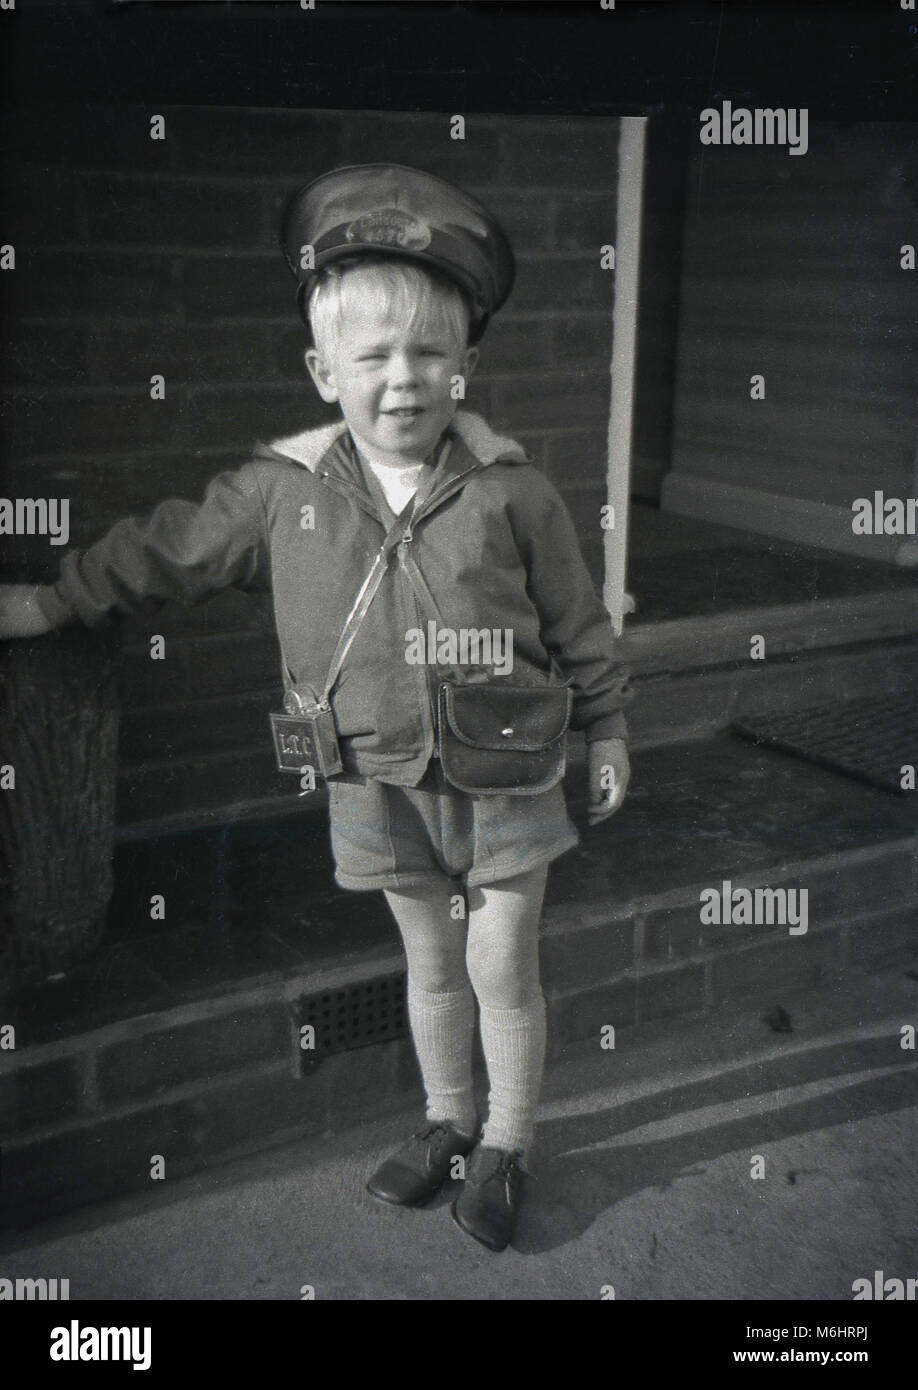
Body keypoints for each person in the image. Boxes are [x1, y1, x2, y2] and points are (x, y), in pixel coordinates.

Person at [0, 164, 632, 1252]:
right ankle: (447, 1122)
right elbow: (167, 549)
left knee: (498, 963)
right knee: (430, 963)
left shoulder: (513, 488)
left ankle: (507, 1143)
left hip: (508, 768)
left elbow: (577, 619)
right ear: (321, 368)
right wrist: (54, 600)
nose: (403, 380)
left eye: (431, 353)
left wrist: (611, 724)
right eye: (373, 356)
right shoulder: (278, 493)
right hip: (373, 772)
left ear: (468, 365)